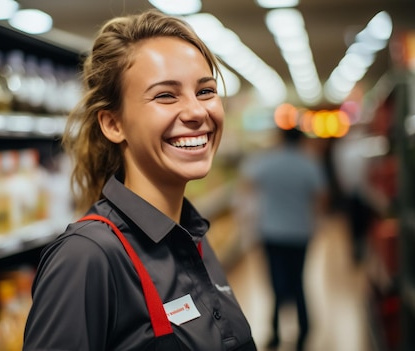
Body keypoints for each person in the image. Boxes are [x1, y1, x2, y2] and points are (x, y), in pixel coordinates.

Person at [22, 9, 258, 351]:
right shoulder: (87, 257)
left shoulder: (194, 239)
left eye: (205, 91)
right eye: (166, 95)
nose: (196, 112)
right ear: (113, 124)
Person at [239, 127, 328, 351]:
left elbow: (247, 186)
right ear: (301, 141)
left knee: (276, 283)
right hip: (300, 232)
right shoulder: (309, 164)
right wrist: (316, 221)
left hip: (272, 232)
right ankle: (304, 332)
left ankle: (276, 334)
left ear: (280, 139)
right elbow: (321, 197)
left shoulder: (267, 162)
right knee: (298, 281)